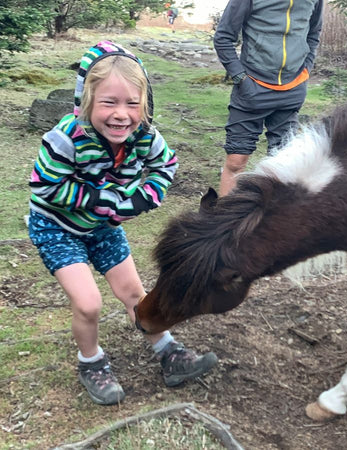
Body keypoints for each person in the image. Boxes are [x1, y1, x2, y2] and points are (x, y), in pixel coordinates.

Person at [28, 41, 217, 406]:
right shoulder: (65, 139)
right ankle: (92, 363)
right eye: (109, 102)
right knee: (88, 303)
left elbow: (166, 166)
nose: (121, 115)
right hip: (57, 228)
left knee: (135, 294)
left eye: (132, 103)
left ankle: (169, 353)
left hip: (103, 228)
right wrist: (106, 201)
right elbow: (45, 187)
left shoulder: (144, 136)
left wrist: (143, 197)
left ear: (145, 104)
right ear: (86, 100)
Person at [213, 0, 324, 195]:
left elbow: (313, 33)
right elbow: (223, 37)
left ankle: (271, 222)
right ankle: (226, 224)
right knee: (236, 162)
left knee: (284, 167)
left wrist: (305, 71)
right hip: (252, 90)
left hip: (292, 91)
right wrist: (241, 78)